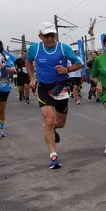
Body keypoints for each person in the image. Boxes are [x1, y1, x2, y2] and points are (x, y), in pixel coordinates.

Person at [26, 22, 83, 169]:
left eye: (52, 35)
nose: (50, 38)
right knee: (49, 121)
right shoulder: (35, 48)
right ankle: (53, 156)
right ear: (40, 36)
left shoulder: (64, 48)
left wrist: (67, 69)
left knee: (60, 123)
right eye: (47, 36)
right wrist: (32, 77)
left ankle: (51, 129)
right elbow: (28, 60)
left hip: (61, 88)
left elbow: (79, 63)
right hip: (44, 89)